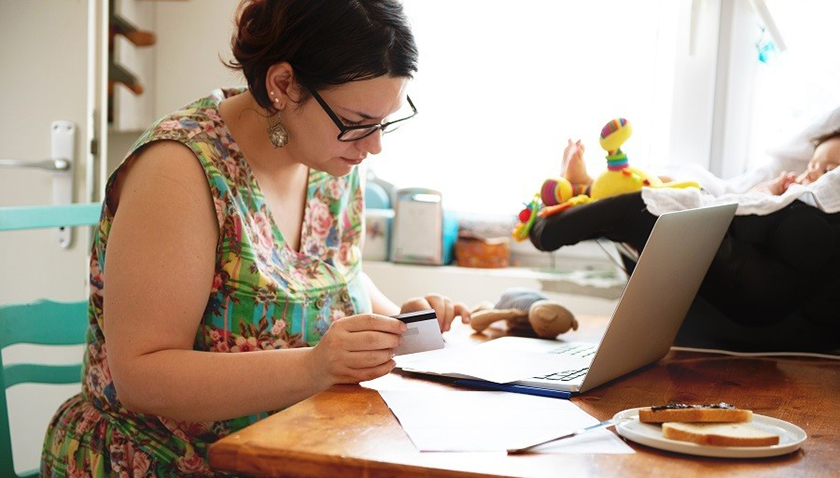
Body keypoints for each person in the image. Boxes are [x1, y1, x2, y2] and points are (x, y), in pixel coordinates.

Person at [41, 1, 470, 476]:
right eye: (358, 122)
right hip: (161, 461)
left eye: (385, 121)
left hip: (284, 449)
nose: (374, 146)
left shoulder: (331, 157)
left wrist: (403, 321)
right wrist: (314, 366)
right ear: (283, 85)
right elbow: (142, 376)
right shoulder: (179, 170)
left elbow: (321, 275)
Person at [560, 127, 840, 197]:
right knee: (664, 179)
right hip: (721, 190)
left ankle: (587, 185)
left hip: (720, 202)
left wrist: (773, 188)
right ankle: (591, 182)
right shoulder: (798, 180)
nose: (812, 172)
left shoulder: (804, 196)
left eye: (827, 170)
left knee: (663, 187)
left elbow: (756, 203)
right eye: (813, 162)